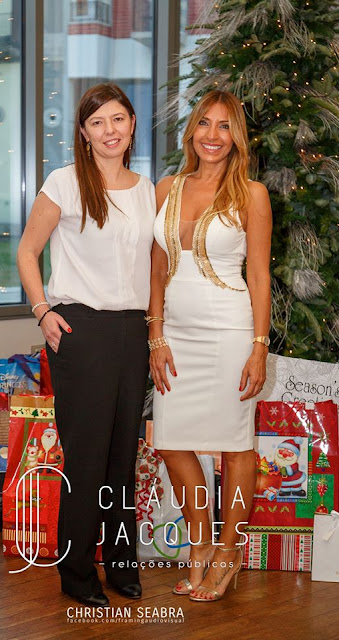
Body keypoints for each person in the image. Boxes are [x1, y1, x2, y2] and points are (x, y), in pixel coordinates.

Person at [17, 83, 155, 607]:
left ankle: (121, 566)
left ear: (132, 123)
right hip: (81, 331)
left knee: (122, 458)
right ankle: (76, 575)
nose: (109, 130)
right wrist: (42, 310)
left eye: (117, 119)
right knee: (87, 460)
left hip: (132, 332)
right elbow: (28, 251)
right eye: (98, 122)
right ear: (84, 132)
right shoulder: (65, 183)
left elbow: (155, 265)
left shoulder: (147, 190)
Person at [148, 89, 272, 602]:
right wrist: (155, 334)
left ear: (236, 136)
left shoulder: (252, 194)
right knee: (170, 441)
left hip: (229, 332)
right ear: (191, 131)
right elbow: (156, 268)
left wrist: (259, 346)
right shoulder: (167, 187)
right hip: (175, 334)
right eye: (204, 123)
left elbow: (259, 275)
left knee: (235, 443)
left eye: (224, 126)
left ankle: (228, 549)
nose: (213, 136)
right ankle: (200, 542)